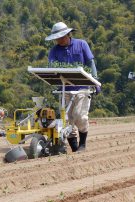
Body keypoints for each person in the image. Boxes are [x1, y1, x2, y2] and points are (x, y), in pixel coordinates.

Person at [45, 21, 99, 152]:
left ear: (68, 34)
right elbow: (52, 67)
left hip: (82, 87)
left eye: (61, 37)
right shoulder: (54, 51)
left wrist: (95, 81)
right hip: (64, 89)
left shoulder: (81, 44)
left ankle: (83, 144)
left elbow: (90, 63)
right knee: (67, 119)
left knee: (80, 116)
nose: (59, 40)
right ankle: (75, 148)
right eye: (57, 38)